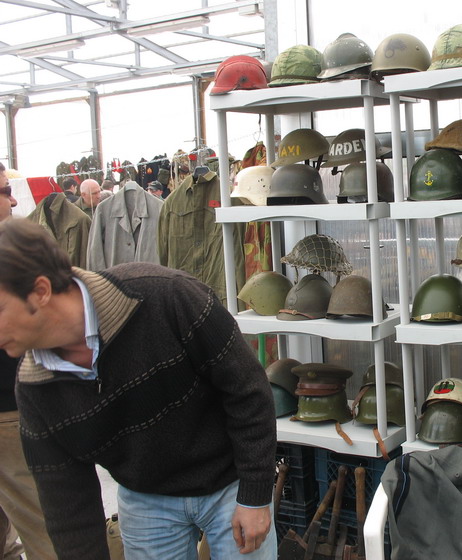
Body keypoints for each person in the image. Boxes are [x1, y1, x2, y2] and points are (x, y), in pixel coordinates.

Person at [0, 218, 278, 560]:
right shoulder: (34, 388)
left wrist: (255, 495)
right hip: (146, 501)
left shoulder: (165, 295)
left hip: (229, 483)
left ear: (41, 291)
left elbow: (248, 390)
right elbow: (68, 510)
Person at [0, 163, 58, 560]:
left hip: (16, 406)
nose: (14, 200)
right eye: (5, 191)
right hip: (11, 410)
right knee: (48, 531)